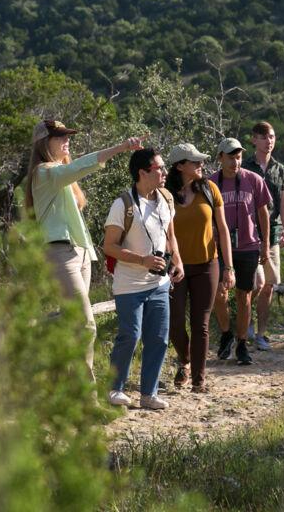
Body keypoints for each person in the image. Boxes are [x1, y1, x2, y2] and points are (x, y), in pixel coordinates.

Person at [25, 119, 144, 380]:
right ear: (45, 143)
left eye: (67, 136)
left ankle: (62, 386)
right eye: (60, 137)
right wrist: (120, 147)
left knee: (73, 324)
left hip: (79, 253)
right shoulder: (44, 173)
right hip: (59, 253)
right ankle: (85, 396)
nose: (67, 140)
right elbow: (83, 165)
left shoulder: (61, 176)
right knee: (86, 324)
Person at [103, 148, 184, 410]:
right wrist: (142, 260)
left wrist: (178, 260)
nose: (164, 172)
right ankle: (114, 389)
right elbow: (110, 246)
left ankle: (148, 394)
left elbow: (170, 235)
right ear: (142, 173)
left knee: (159, 338)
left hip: (158, 283)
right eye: (159, 168)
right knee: (130, 335)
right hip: (129, 284)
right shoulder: (123, 204)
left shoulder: (166, 198)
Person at [165, 143, 235, 393]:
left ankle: (198, 379)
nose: (200, 165)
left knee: (200, 324)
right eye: (194, 162)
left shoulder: (209, 189)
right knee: (174, 323)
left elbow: (223, 229)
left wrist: (229, 267)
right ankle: (184, 360)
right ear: (180, 166)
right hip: (175, 268)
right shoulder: (164, 194)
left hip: (208, 265)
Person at [210, 138, 271, 365]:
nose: (235, 162)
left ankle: (242, 343)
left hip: (248, 246)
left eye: (238, 157)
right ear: (220, 158)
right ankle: (226, 333)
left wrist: (265, 243)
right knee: (219, 293)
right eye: (230, 157)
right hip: (219, 247)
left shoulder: (253, 180)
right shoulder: (211, 183)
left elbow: (263, 212)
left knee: (244, 295)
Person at [244, 121, 284, 351]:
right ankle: (245, 320)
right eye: (263, 137)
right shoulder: (244, 167)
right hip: (249, 233)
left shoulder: (279, 169)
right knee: (256, 282)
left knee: (270, 285)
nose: (269, 141)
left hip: (272, 233)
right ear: (254, 140)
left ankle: (261, 334)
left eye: (272, 136)